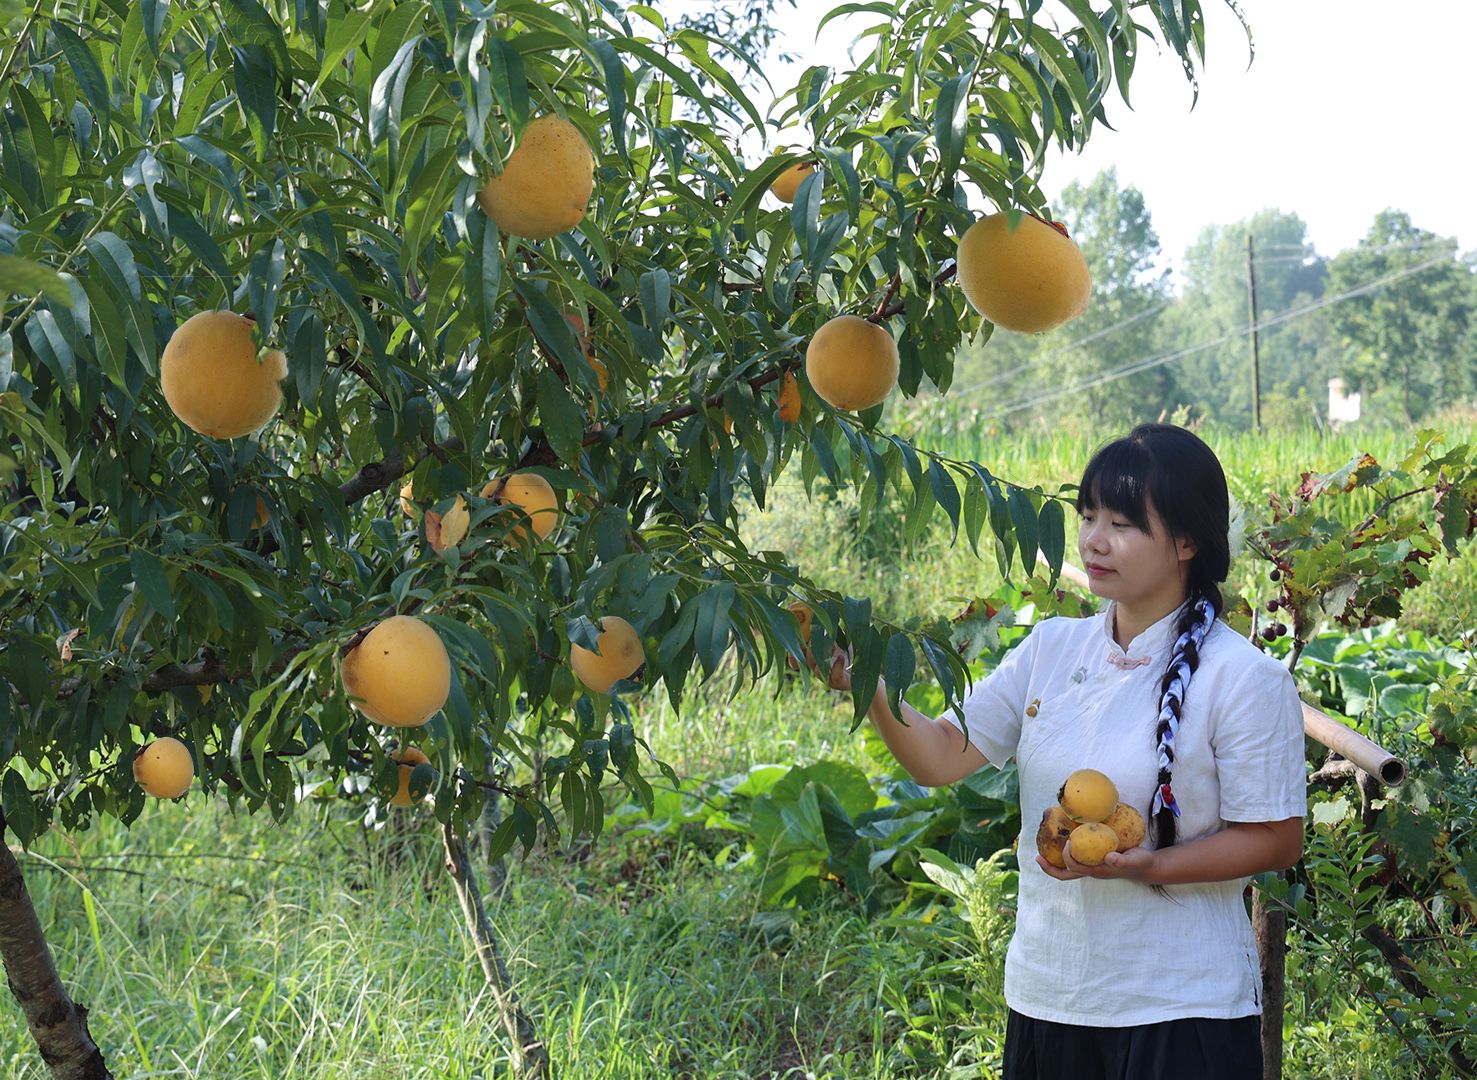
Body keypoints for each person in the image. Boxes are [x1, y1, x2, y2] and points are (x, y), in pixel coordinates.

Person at [817, 423, 1306, 1080]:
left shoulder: (1241, 677)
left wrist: (1145, 867)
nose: (1094, 540)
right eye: (1088, 516)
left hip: (1181, 1006)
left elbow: (1274, 839)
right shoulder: (1049, 649)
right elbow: (936, 756)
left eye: (1123, 523)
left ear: (1186, 541)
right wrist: (868, 683)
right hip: (1050, 996)